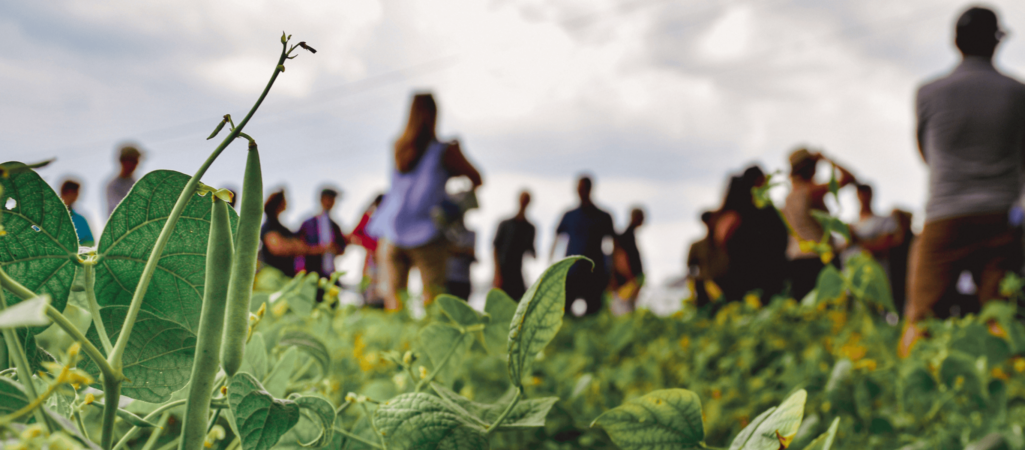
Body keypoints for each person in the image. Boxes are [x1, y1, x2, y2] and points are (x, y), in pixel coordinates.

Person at [902, 7, 1025, 356]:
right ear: (996, 42)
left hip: (945, 215)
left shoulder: (928, 92)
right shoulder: (1018, 93)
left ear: (955, 42)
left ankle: (906, 399)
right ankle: (1009, 391)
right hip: (1001, 216)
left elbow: (928, 153)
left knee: (921, 316)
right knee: (999, 314)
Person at [367, 92, 483, 310]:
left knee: (395, 303)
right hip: (427, 233)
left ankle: (397, 343)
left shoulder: (398, 147)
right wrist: (454, 201)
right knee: (433, 300)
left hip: (392, 231)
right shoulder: (444, 150)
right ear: (434, 114)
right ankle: (427, 344)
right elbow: (477, 178)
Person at [782, 148, 857, 300]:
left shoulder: (789, 198)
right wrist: (827, 159)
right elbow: (849, 178)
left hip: (796, 259)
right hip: (818, 259)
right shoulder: (810, 191)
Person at [715, 166, 790, 301]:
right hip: (763, 271)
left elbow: (721, 239)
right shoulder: (760, 210)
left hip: (739, 272)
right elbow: (779, 237)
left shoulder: (732, 211)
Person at [551, 175, 616, 316]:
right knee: (563, 314)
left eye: (583, 188)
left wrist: (611, 273)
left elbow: (612, 246)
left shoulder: (603, 216)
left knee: (594, 315)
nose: (581, 191)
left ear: (590, 189)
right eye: (579, 188)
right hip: (571, 272)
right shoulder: (569, 215)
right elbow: (557, 240)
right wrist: (552, 267)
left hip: (595, 274)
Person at [259, 190, 325, 278]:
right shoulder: (270, 225)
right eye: (285, 200)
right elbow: (277, 248)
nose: (287, 202)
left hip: (286, 275)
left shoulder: (279, 226)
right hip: (274, 276)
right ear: (279, 203)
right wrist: (298, 246)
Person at [492, 191, 536, 300]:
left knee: (518, 302)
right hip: (503, 270)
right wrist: (497, 273)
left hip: (517, 272)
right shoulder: (505, 224)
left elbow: (531, 249)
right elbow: (496, 249)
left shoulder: (530, 228)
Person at [297, 188, 347, 278]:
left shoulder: (335, 226)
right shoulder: (308, 224)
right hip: (310, 272)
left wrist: (334, 248)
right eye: (327, 199)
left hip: (329, 274)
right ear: (321, 200)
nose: (329, 202)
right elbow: (299, 246)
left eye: (332, 200)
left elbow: (342, 248)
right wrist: (318, 249)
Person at [350, 194, 385, 307]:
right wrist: (369, 248)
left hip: (387, 260)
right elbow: (354, 235)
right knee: (368, 291)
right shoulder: (369, 218)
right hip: (371, 260)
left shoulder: (391, 219)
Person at [609, 207, 645, 315]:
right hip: (625, 284)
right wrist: (631, 279)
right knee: (624, 313)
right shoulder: (626, 236)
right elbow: (620, 258)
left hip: (628, 283)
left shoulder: (629, 235)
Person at [445, 214, 476, 300]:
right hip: (449, 278)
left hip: (464, 279)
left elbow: (471, 252)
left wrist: (456, 250)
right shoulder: (447, 233)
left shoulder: (471, 233)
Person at [106, 145, 143, 215]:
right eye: (133, 161)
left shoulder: (136, 183)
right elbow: (119, 208)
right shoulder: (113, 185)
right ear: (123, 161)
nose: (136, 164)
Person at [59, 179, 94, 247]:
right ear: (69, 192)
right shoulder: (48, 216)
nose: (78, 196)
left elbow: (90, 243)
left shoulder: (80, 220)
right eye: (76, 193)